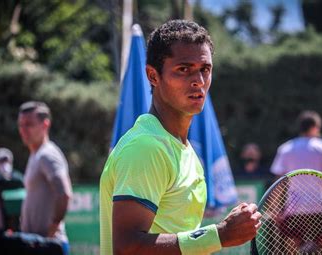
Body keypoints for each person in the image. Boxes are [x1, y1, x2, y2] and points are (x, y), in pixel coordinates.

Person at [100, 20, 262, 255]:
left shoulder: (184, 150)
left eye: (205, 69)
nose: (198, 80)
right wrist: (220, 234)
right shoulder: (145, 147)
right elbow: (127, 248)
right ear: (153, 76)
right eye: (183, 69)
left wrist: (217, 235)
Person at [268, 111, 322, 252]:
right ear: (315, 127)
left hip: (293, 211)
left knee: (292, 249)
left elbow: (279, 183)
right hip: (320, 209)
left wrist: (274, 210)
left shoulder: (285, 149)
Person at [17, 101, 72, 254]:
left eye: (29, 124)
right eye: (21, 125)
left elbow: (64, 194)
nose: (23, 129)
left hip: (47, 246)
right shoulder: (36, 154)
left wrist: (50, 233)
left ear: (45, 125)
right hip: (37, 244)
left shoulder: (47, 155)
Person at [270, 110, 322, 177]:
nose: (319, 130)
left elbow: (279, 178)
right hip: (318, 188)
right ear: (313, 128)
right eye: (318, 127)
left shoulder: (285, 148)